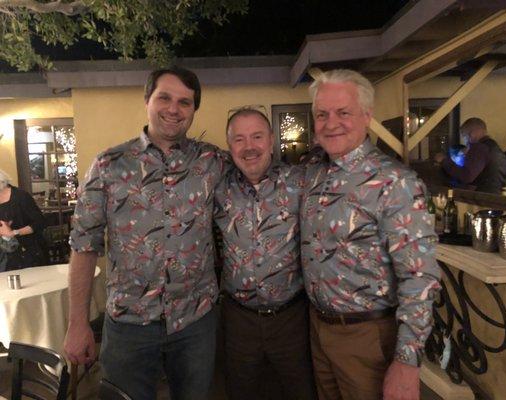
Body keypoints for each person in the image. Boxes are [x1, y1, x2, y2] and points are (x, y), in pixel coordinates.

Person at [64, 66, 228, 400]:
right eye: (164, 97)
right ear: (146, 100)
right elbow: (84, 246)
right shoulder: (108, 165)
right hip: (129, 323)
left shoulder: (213, 162)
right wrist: (78, 323)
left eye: (185, 102)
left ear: (194, 110)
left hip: (195, 321)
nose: (173, 109)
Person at [300, 69, 441, 400]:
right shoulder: (314, 174)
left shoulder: (396, 183)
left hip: (368, 336)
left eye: (343, 112)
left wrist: (408, 361)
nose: (330, 122)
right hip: (318, 329)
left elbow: (419, 277)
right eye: (322, 114)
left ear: (366, 116)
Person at [215, 107, 317, 400]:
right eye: (239, 139)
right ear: (229, 146)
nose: (249, 147)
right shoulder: (218, 188)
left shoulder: (301, 183)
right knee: (240, 391)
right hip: (238, 319)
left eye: (257, 136)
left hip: (291, 318)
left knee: (301, 391)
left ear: (271, 140)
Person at [435, 117, 506, 193]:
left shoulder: (479, 148)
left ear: (472, 134)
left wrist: (444, 161)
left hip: (481, 197)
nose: (466, 141)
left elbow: (467, 176)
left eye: (465, 136)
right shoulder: (494, 147)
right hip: (495, 195)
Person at [0, 169, 47, 270]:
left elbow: (40, 222)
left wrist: (13, 233)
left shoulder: (21, 196)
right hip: (3, 256)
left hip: (27, 253)